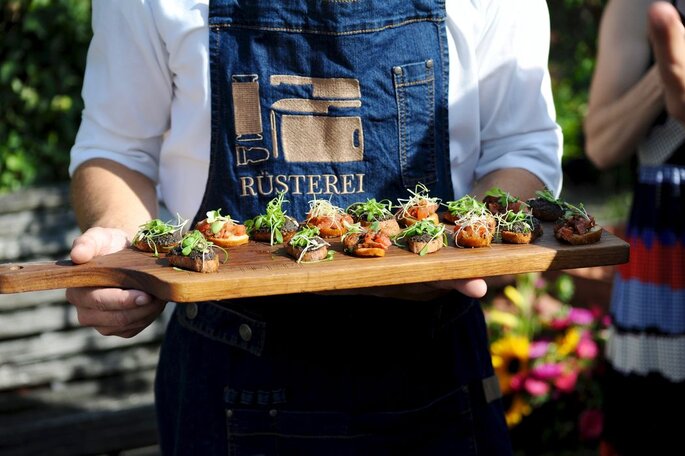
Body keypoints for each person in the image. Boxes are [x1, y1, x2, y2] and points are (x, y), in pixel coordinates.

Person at [67, 1, 562, 454]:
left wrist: (470, 248)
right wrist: (123, 246)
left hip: (437, 361)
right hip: (228, 360)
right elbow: (117, 148)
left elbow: (520, 149)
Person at [584, 1, 685, 455]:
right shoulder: (638, 6)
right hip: (666, 246)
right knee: (655, 421)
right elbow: (602, 145)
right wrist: (666, 73)